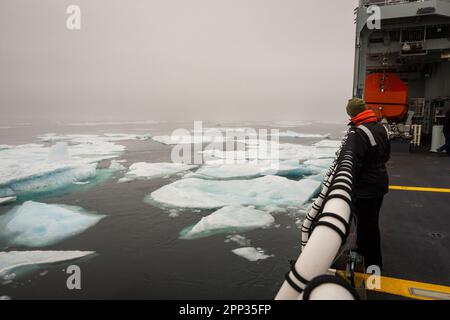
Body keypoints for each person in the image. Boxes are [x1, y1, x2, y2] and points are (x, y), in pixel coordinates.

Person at [346, 98, 391, 270]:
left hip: (366, 186)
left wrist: (352, 183)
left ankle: (373, 263)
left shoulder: (359, 132)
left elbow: (356, 163)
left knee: (367, 225)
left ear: (352, 114)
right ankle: (365, 252)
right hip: (380, 181)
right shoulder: (381, 127)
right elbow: (386, 155)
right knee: (370, 222)